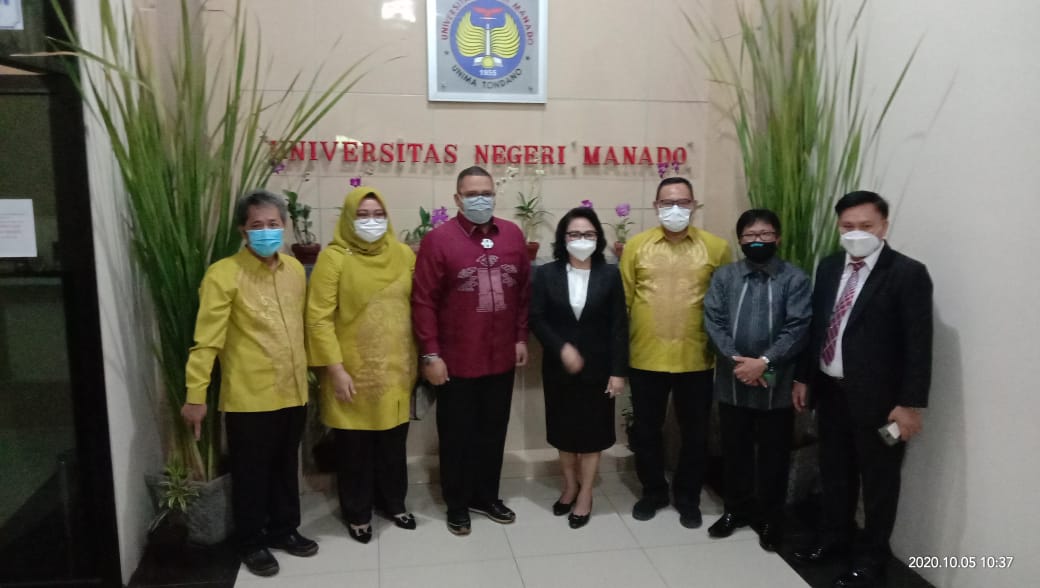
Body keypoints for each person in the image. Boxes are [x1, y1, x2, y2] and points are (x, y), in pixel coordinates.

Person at [792, 191, 933, 588]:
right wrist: (805, 378)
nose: (856, 234)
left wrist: (909, 404)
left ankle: (872, 560)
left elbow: (918, 344)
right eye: (848, 226)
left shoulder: (906, 273)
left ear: (884, 226)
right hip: (831, 393)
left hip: (881, 403)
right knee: (835, 473)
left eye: (866, 226)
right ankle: (833, 540)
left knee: (878, 484)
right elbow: (817, 328)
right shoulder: (829, 267)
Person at [181, 189, 316, 578]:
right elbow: (207, 341)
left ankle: (284, 529)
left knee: (285, 466)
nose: (266, 231)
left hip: (293, 391)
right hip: (249, 397)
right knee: (252, 474)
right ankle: (251, 542)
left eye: (273, 224)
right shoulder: (223, 274)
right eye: (257, 225)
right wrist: (195, 396)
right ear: (243, 230)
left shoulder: (294, 271)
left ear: (284, 226)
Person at [411, 165, 531, 536]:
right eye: (472, 194)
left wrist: (520, 337)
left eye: (487, 193)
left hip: (501, 357)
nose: (481, 200)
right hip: (456, 361)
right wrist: (430, 354)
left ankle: (486, 496)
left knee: (493, 432)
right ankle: (458, 503)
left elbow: (523, 292)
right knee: (457, 436)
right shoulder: (439, 240)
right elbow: (423, 301)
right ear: (457, 198)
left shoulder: (512, 235)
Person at [305, 186, 417, 544]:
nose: (372, 221)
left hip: (396, 368)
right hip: (350, 372)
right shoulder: (333, 258)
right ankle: (357, 513)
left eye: (378, 215)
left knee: (393, 445)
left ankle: (394, 503)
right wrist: (335, 369)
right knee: (354, 448)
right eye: (363, 215)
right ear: (349, 220)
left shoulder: (403, 255)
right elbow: (318, 318)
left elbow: (418, 305)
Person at [620, 177, 731, 528]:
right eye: (667, 202)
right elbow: (623, 304)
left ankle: (687, 497)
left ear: (694, 206)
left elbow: (725, 306)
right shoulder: (636, 246)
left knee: (695, 434)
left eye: (683, 202)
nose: (675, 209)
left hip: (696, 358)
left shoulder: (717, 248)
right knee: (646, 430)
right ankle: (653, 491)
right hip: (645, 357)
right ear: (655, 207)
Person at [703, 209, 811, 551]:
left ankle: (770, 519)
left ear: (777, 238)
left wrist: (763, 363)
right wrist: (740, 364)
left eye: (764, 235)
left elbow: (798, 327)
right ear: (740, 240)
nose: (757, 241)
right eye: (750, 236)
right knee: (733, 451)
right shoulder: (725, 277)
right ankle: (735, 510)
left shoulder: (795, 279)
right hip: (733, 380)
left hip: (775, 384)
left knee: (773, 456)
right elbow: (714, 321)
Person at [530, 207, 629, 529]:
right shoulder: (546, 274)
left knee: (592, 434)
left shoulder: (610, 275)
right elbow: (536, 318)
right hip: (559, 369)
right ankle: (569, 485)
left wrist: (618, 371)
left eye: (588, 234)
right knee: (564, 432)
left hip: (598, 369)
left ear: (598, 238)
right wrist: (561, 348)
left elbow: (618, 326)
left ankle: (586, 493)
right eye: (574, 234)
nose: (581, 239)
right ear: (563, 238)